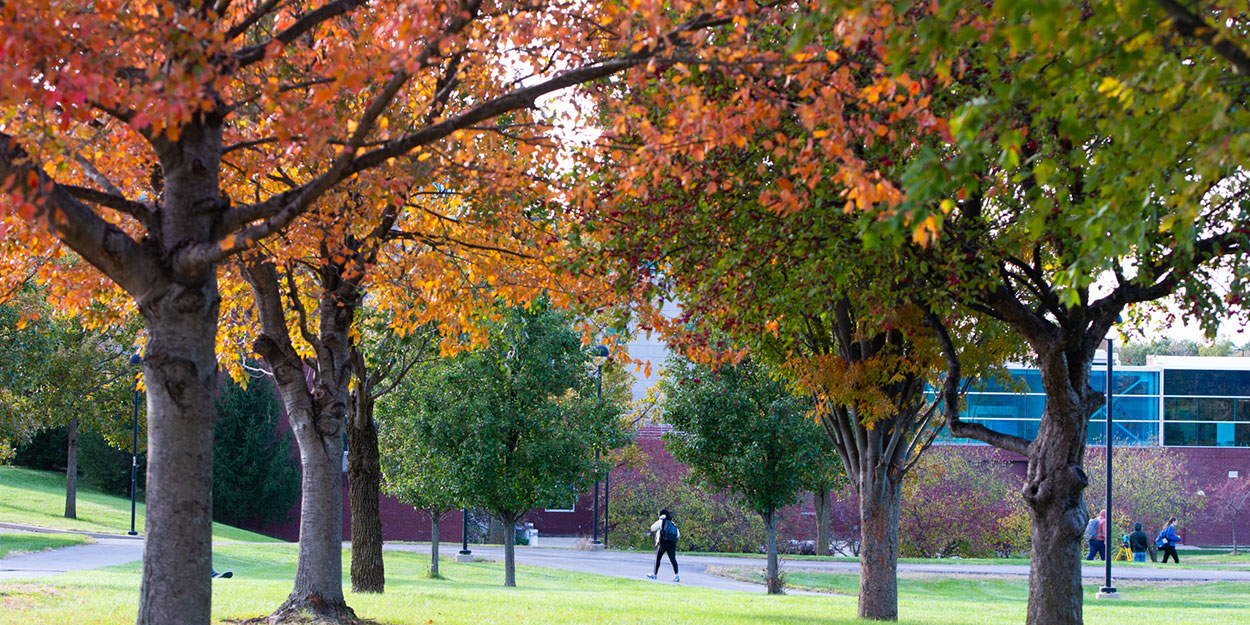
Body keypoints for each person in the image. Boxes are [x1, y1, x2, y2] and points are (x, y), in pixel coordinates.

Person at [647, 508, 679, 582]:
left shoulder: (661, 521)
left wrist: (659, 520)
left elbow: (652, 528)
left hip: (663, 543)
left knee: (658, 558)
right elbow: (678, 534)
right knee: (673, 559)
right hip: (672, 543)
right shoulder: (673, 523)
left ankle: (654, 574)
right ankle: (676, 575)